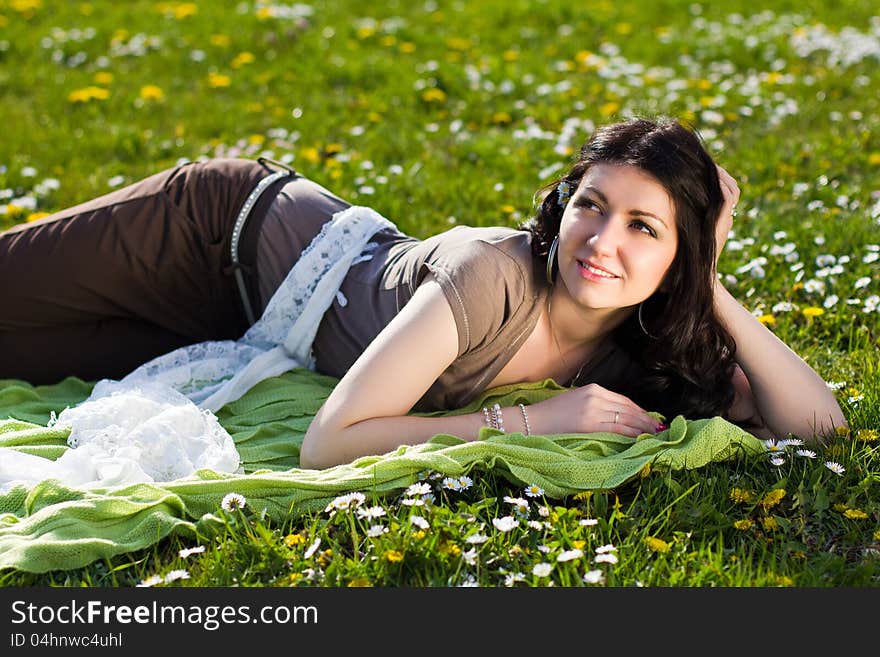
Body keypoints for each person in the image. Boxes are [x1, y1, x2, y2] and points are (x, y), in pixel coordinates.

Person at [0, 117, 847, 470]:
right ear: (563, 206)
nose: (603, 242)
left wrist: (707, 279)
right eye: (591, 206)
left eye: (645, 228)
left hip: (243, 326)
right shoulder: (494, 274)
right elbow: (329, 444)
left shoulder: (639, 343)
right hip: (213, 235)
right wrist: (528, 420)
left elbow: (821, 425)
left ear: (679, 258)